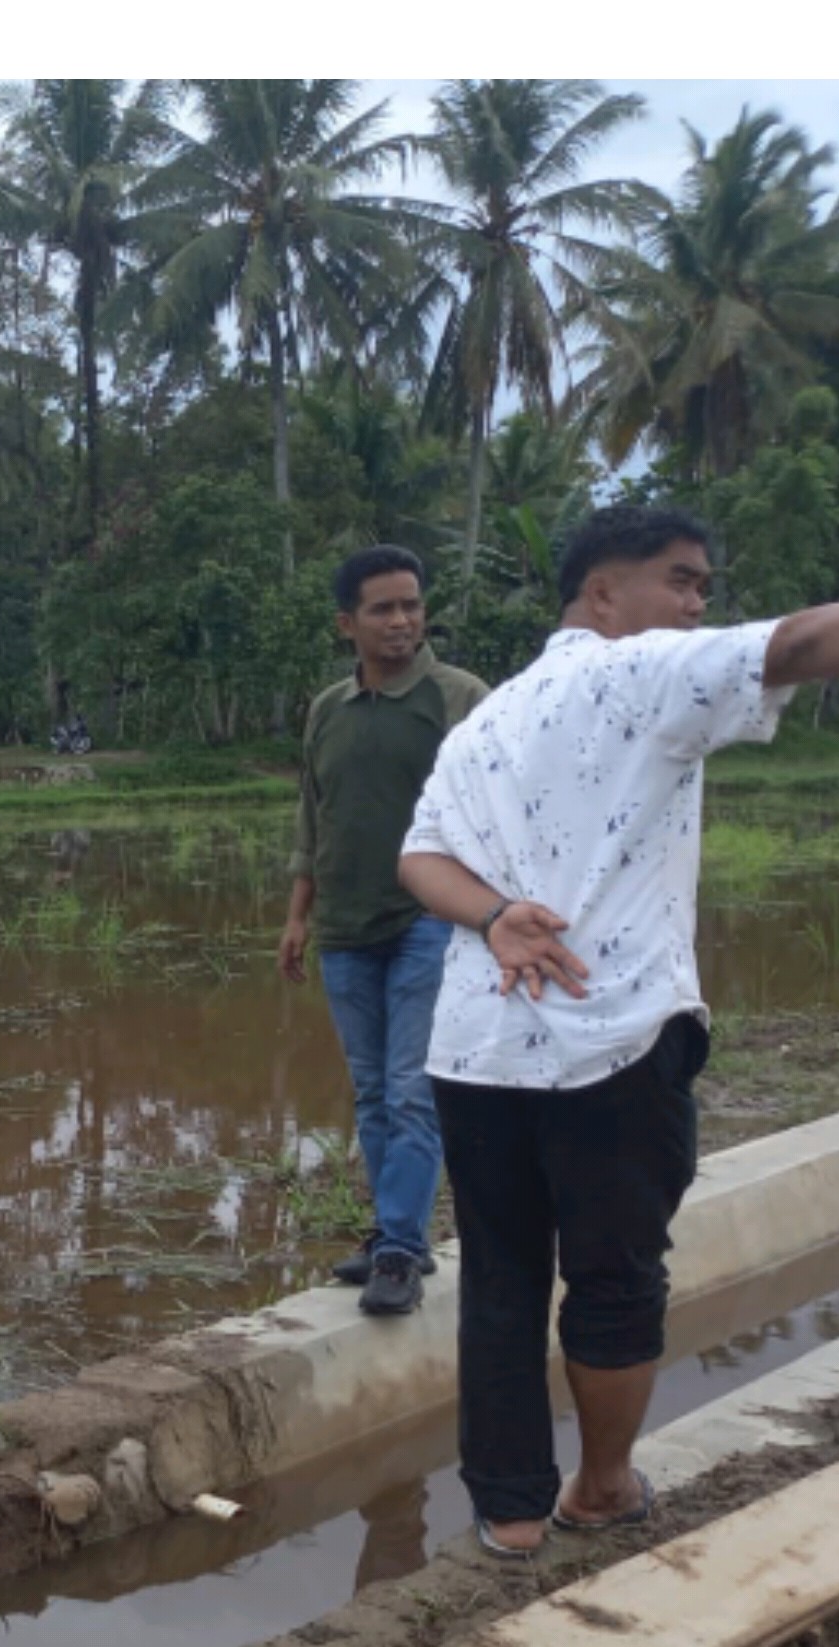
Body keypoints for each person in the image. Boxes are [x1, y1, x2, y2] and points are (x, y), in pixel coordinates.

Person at [400, 510, 839, 1560]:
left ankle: (511, 1514)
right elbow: (796, 644)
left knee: (501, 1276)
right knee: (615, 1277)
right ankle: (602, 1489)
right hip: (607, 1043)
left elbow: (418, 860)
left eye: (706, 584)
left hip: (473, 1054)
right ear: (602, 596)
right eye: (681, 580)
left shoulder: (484, 718)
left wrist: (489, 916)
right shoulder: (645, 671)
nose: (699, 602)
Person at [278, 547, 486, 1318]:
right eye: (383, 609)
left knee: (410, 1090)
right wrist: (298, 915)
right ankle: (394, 1234)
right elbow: (314, 814)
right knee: (371, 1092)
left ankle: (399, 1247)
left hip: (426, 926)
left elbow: (499, 808)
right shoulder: (329, 709)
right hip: (344, 926)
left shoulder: (458, 698)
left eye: (411, 605)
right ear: (347, 623)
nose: (402, 621)